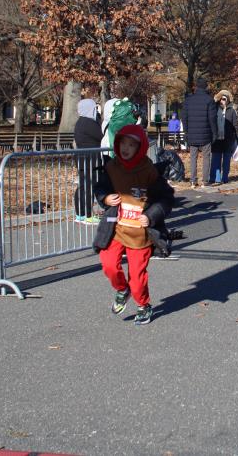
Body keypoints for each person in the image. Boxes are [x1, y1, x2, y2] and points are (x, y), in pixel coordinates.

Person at [93, 125, 174, 326]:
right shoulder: (112, 167)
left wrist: (151, 216)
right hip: (116, 230)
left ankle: (143, 305)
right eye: (123, 143)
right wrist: (105, 198)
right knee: (109, 264)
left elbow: (166, 199)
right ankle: (122, 289)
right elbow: (101, 187)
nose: (126, 148)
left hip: (140, 235)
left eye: (131, 145)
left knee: (137, 279)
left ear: (140, 148)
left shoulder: (149, 171)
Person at [181, 78, 216, 188]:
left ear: (196, 86)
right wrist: (214, 133)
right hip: (206, 134)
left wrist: (186, 131)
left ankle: (193, 180)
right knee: (206, 157)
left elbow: (184, 117)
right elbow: (212, 119)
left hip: (192, 133)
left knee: (193, 158)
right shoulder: (209, 100)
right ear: (205, 87)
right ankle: (205, 181)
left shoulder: (188, 100)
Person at [73, 98, 103, 224]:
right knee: (89, 186)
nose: (96, 111)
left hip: (81, 157)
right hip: (91, 158)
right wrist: (98, 121)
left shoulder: (79, 122)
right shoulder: (89, 123)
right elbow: (100, 136)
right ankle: (88, 215)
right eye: (94, 108)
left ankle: (80, 214)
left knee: (82, 186)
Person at [210, 90, 238, 184]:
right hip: (217, 140)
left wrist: (237, 138)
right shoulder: (214, 109)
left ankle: (225, 178)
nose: (223, 100)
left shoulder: (232, 111)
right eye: (222, 99)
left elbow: (235, 125)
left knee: (226, 161)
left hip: (228, 140)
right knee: (215, 160)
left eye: (225, 99)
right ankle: (215, 178)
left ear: (228, 100)